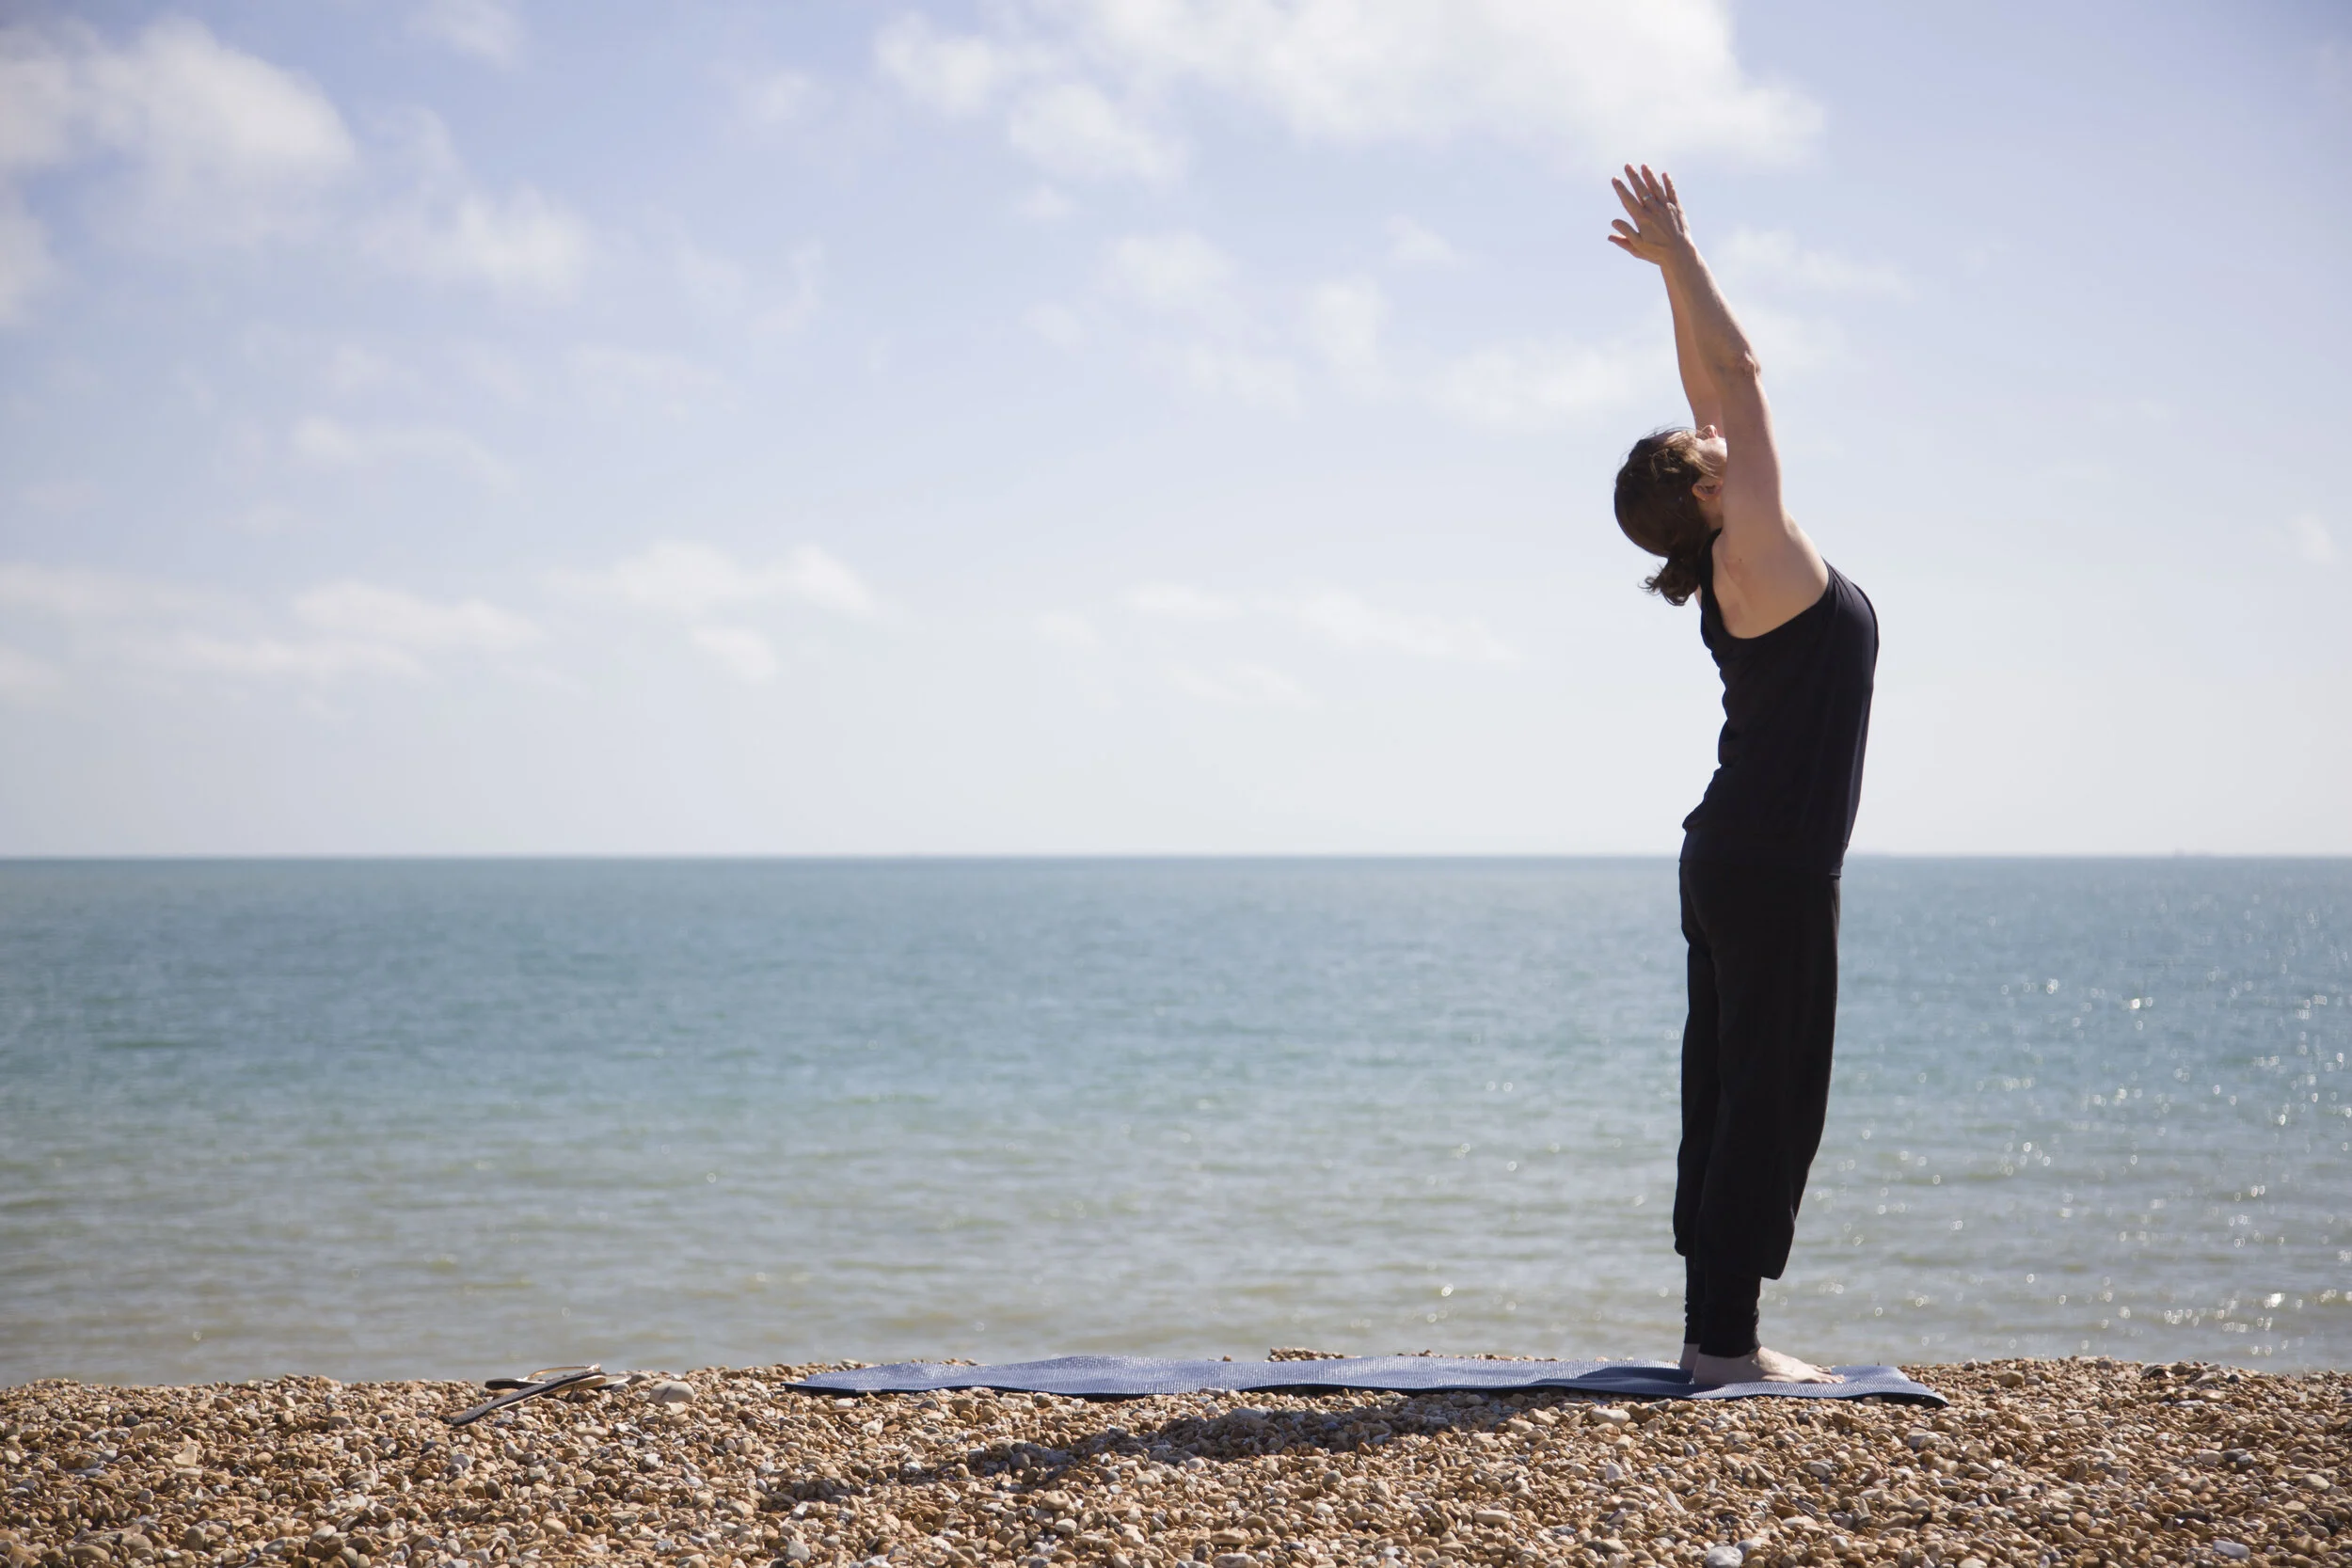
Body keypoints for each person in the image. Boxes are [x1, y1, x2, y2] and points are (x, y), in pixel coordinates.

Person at [1605, 166, 1879, 1386]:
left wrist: (1670, 271)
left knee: (1728, 1091)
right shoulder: (1756, 544)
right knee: (1764, 1102)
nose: (1708, 424)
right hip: (1767, 868)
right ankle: (1724, 1346)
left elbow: (1710, 386)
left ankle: (1710, 1333)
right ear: (1705, 490)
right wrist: (1685, 250)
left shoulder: (1737, 548)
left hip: (1733, 859)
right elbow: (1744, 376)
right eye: (1698, 447)